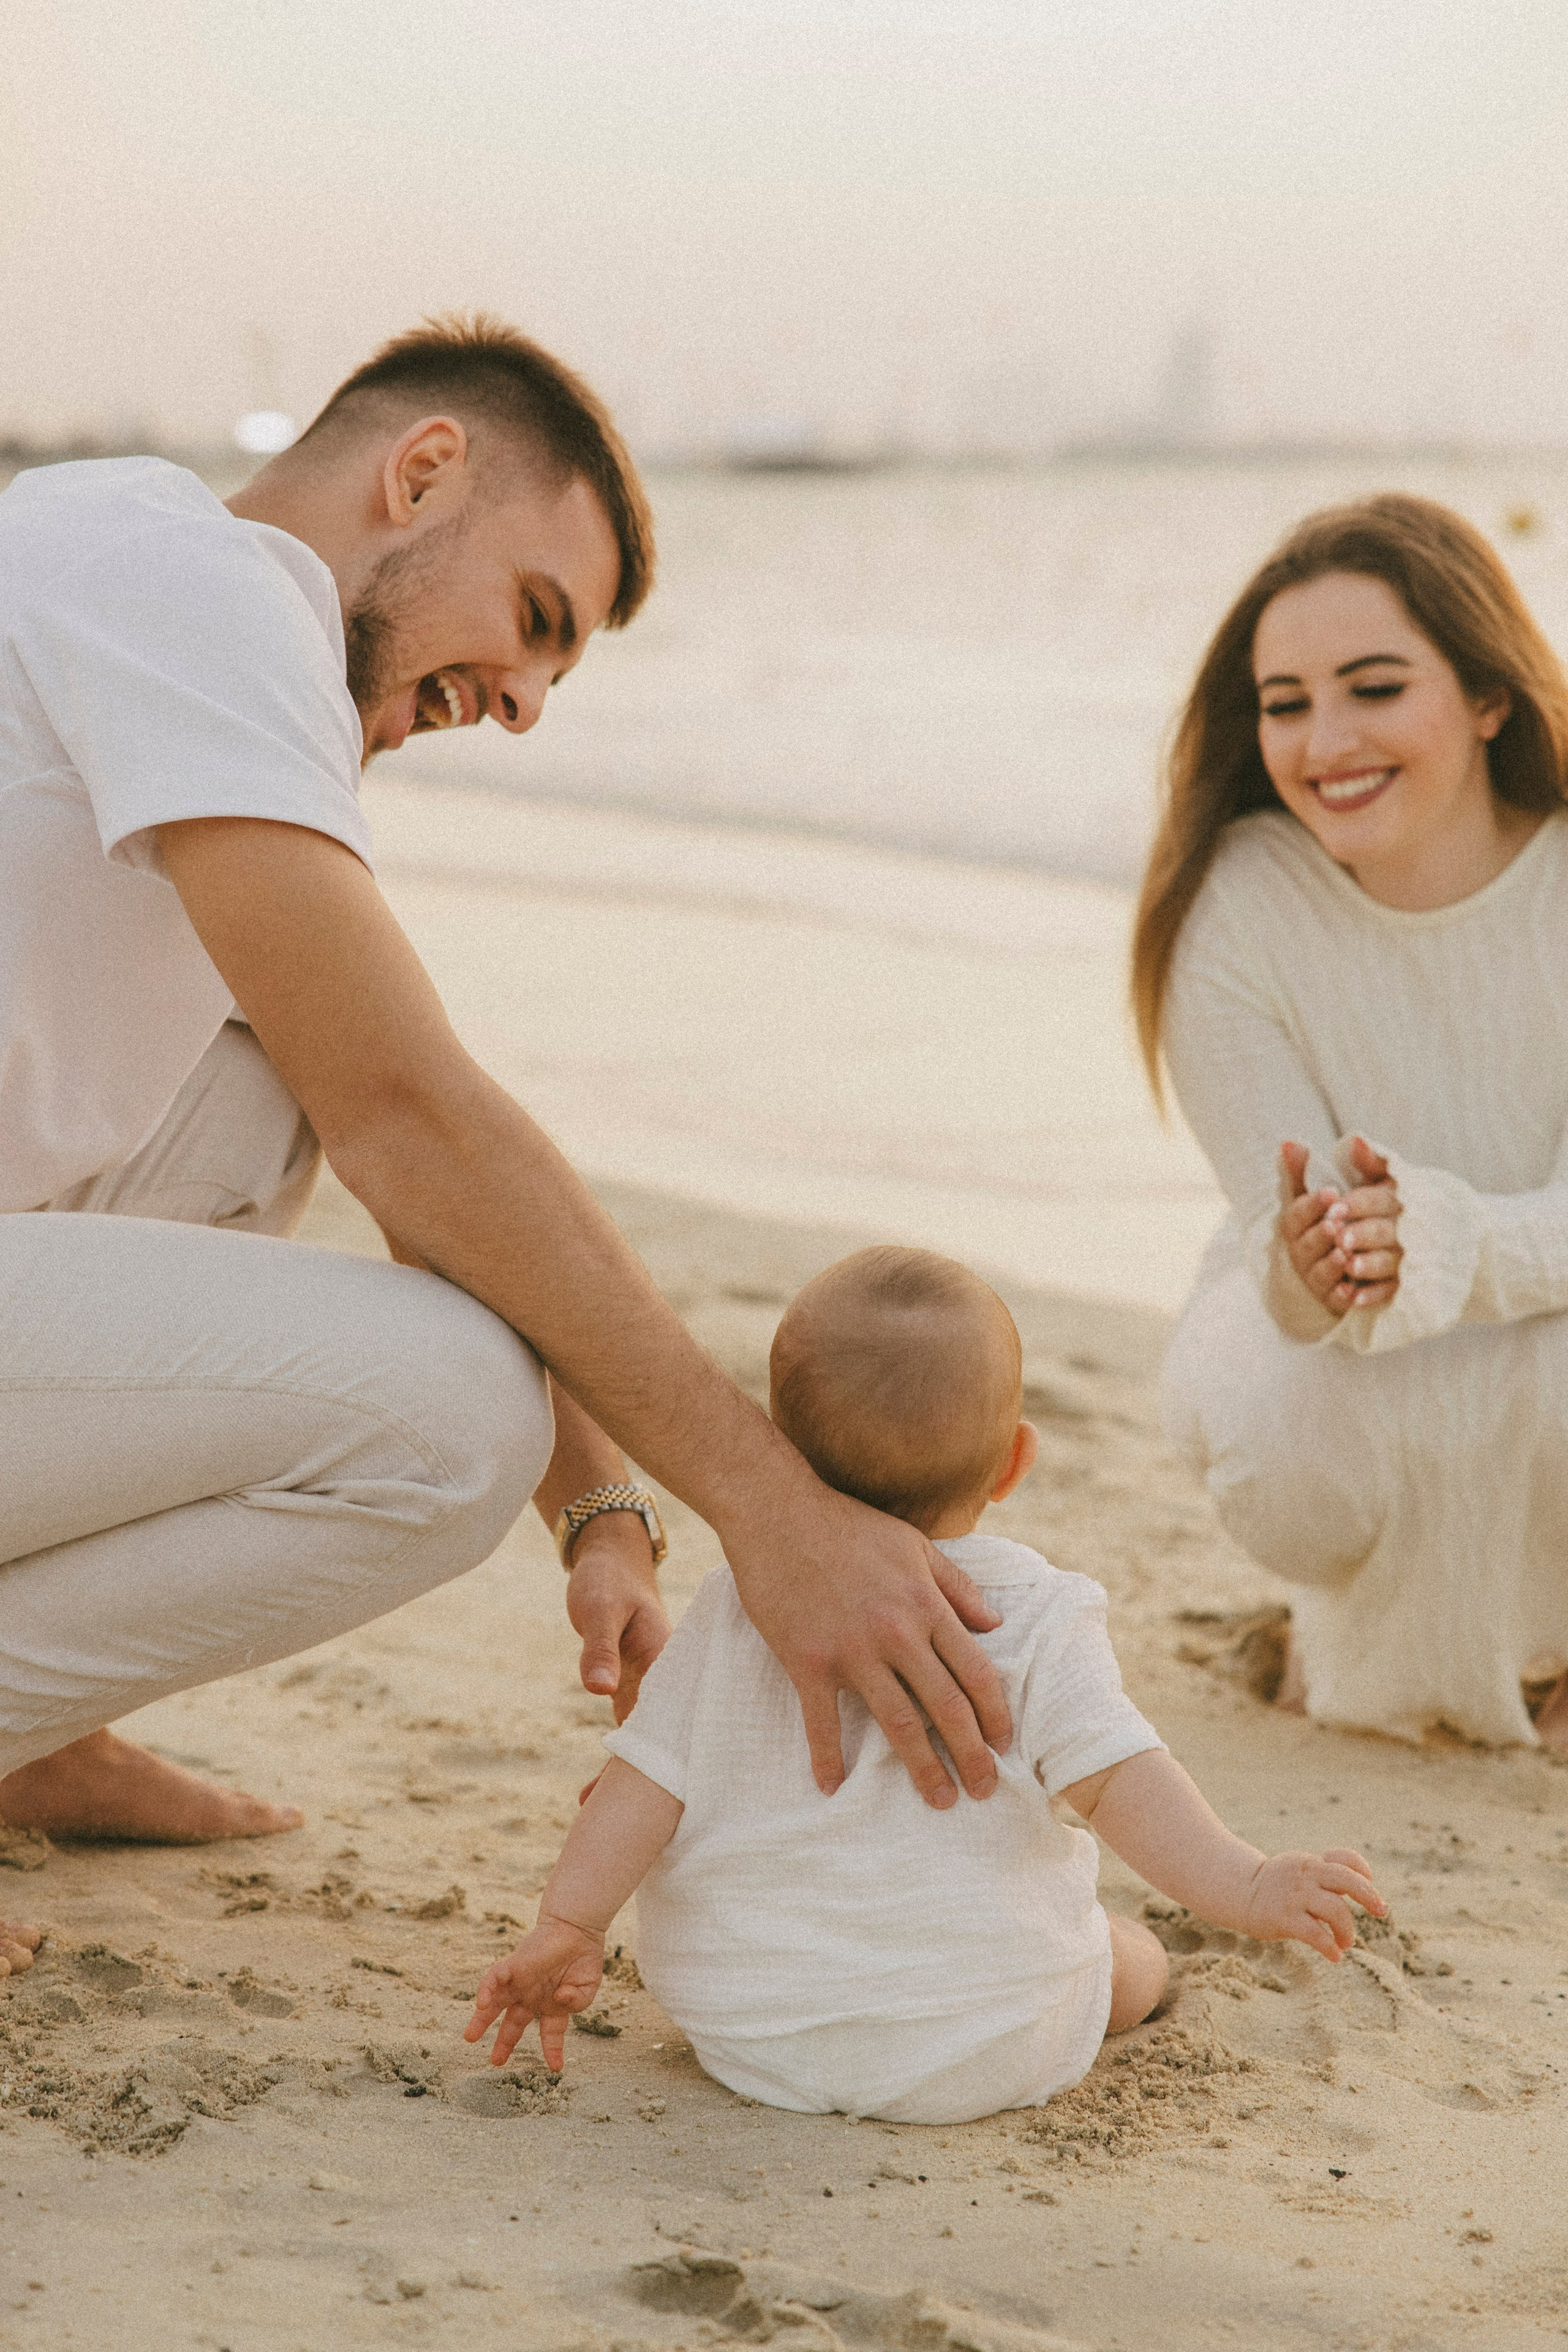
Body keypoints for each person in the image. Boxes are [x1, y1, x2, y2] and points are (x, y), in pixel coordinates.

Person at [0, 317, 1016, 1972]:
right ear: (421, 474)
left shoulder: (150, 590)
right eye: (537, 620)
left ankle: (34, 1731)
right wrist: (772, 1510)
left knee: (266, 1070)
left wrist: (602, 1511)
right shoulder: (199, 584)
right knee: (452, 1413)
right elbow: (412, 1113)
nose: (527, 705)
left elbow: (374, 1110)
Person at [464, 1248, 1383, 2124]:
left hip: (753, 2029)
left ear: (783, 1453)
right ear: (1015, 1462)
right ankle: (1123, 1968)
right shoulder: (1038, 1614)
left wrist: (569, 1924)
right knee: (1128, 1958)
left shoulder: (733, 1612)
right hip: (989, 2041)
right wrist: (1247, 1882)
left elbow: (638, 1788)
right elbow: (1122, 1783)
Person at [1134, 492, 1568, 1749]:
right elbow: (1292, 1229)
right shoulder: (1233, 899)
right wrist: (1316, 1267)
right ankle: (1350, 1636)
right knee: (1299, 1435)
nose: (1324, 743)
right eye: (1285, 703)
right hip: (1320, 1346)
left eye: (1374, 688)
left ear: (1488, 697)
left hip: (1552, 1300)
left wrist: (1443, 1242)